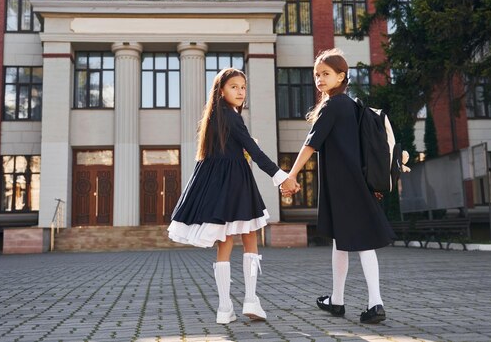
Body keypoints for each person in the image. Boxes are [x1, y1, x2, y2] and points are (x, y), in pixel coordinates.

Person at [168, 68, 300, 324]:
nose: (240, 92)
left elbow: (234, 151)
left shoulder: (215, 118)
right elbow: (254, 152)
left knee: (225, 243)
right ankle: (250, 299)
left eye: (243, 87)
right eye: (234, 87)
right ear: (221, 90)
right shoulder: (232, 117)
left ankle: (224, 308)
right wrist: (282, 177)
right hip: (237, 184)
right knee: (250, 239)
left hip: (218, 187)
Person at [281, 49, 394, 324]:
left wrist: (291, 175)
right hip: (359, 182)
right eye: (317, 75)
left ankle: (374, 302)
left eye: (326, 74)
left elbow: (310, 145)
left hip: (344, 184)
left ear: (341, 76)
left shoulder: (333, 106)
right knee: (344, 242)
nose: (320, 79)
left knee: (360, 243)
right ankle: (338, 300)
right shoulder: (354, 106)